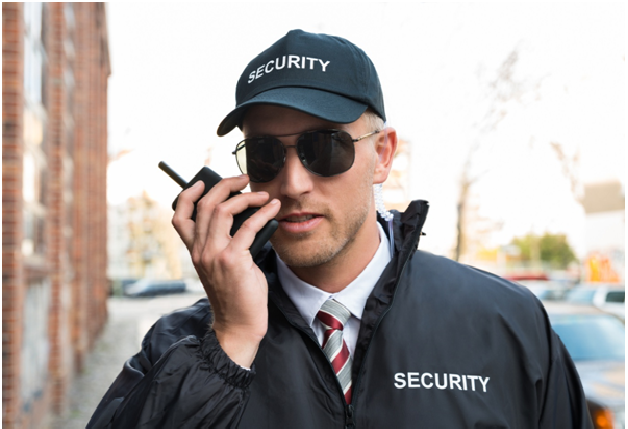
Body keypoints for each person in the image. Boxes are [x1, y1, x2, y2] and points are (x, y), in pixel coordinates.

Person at [88, 29, 592, 428]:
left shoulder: (507, 323)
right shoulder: (178, 346)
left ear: (383, 154)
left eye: (325, 148)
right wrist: (230, 344)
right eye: (265, 154)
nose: (293, 182)